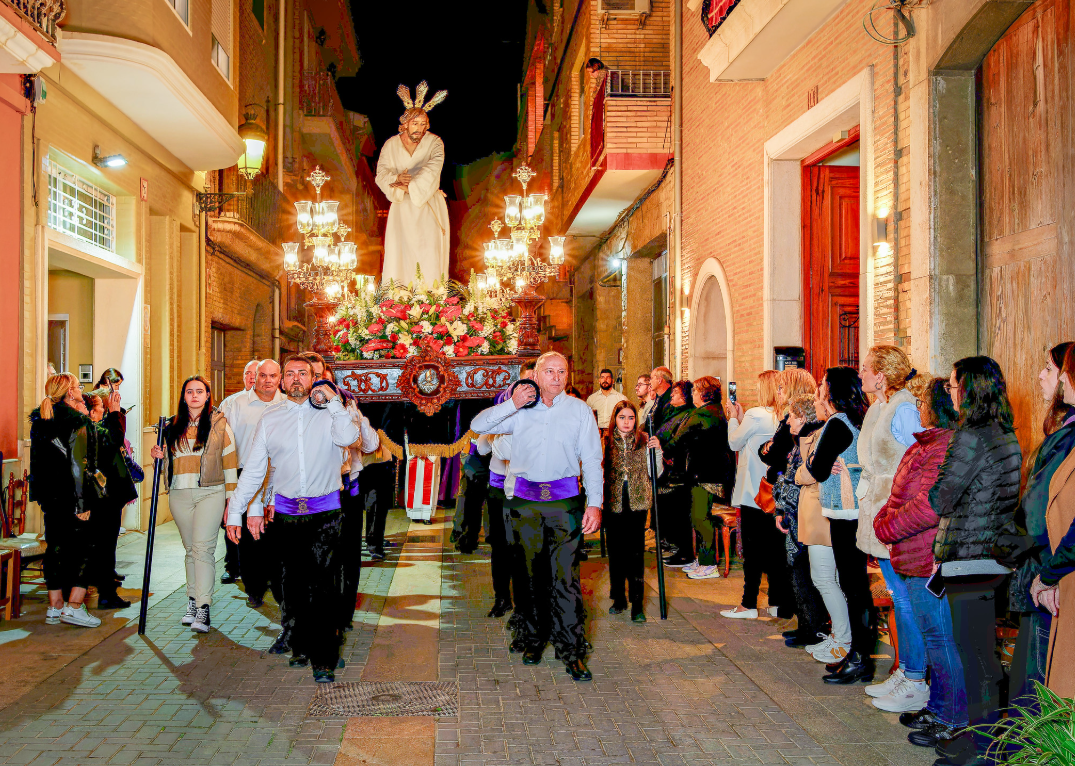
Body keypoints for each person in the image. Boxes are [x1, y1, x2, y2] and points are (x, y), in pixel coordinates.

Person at [226, 356, 362, 683]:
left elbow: (347, 438)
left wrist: (332, 401)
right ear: (284, 382)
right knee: (292, 585)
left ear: (315, 377)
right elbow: (256, 470)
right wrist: (236, 511)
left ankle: (324, 660)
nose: (297, 378)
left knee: (324, 587)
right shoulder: (271, 418)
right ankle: (300, 647)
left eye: (304, 373)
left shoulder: (333, 413)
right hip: (287, 516)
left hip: (325, 514)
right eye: (291, 374)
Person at [471, 351, 603, 682]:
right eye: (550, 371)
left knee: (566, 580)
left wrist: (595, 503)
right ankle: (531, 639)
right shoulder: (520, 409)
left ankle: (571, 650)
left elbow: (592, 458)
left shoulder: (579, 410)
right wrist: (512, 403)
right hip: (524, 505)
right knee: (527, 576)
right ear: (537, 375)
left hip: (564, 505)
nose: (557, 377)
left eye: (562, 372)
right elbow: (478, 426)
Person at [929, 356, 1021, 765]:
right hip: (992, 558)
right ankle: (979, 736)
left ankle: (982, 746)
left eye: (952, 385)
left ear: (968, 389)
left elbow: (941, 498)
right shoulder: (1006, 433)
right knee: (982, 654)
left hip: (968, 558)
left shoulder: (970, 437)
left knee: (977, 657)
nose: (949, 392)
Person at [874, 377, 966, 746]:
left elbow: (928, 505)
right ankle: (939, 706)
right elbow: (902, 491)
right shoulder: (929, 441)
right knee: (933, 637)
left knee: (941, 639)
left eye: (923, 399)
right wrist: (886, 517)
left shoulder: (944, 445)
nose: (918, 405)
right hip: (911, 549)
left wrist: (887, 526)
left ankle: (953, 715)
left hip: (925, 551)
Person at [1003, 342, 1075, 706]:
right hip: (1045, 562)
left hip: (1050, 563)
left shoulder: (1069, 435)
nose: (1042, 376)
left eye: (1049, 369)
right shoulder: (1065, 430)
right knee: (1032, 668)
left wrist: (1046, 571)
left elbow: (1039, 509)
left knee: (1039, 674)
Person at [856, 347, 929, 711]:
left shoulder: (903, 406)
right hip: (877, 503)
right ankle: (905, 670)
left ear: (882, 374)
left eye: (866, 368)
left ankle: (915, 675)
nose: (862, 373)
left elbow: (919, 457)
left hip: (897, 506)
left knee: (904, 595)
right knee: (898, 594)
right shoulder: (878, 406)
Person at [29, 373, 127, 628]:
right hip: (73, 496)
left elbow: (37, 464)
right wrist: (82, 505)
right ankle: (73, 606)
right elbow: (80, 463)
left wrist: (41, 496)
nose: (82, 391)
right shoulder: (76, 421)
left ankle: (54, 606)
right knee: (86, 550)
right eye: (78, 387)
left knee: (55, 550)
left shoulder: (41, 420)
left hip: (51, 498)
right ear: (70, 393)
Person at [150, 376, 238, 634]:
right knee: (190, 550)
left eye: (200, 391)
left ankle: (203, 607)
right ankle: (191, 601)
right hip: (179, 493)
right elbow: (169, 462)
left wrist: (231, 499)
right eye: (190, 391)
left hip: (210, 492)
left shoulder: (219, 424)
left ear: (208, 395)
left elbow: (230, 460)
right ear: (184, 396)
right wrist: (159, 455)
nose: (195, 396)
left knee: (203, 549)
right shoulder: (171, 426)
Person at [804, 367, 874, 684]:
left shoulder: (836, 423)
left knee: (853, 587)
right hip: (858, 509)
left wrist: (814, 459)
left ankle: (860, 657)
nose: (818, 389)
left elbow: (817, 470)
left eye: (822, 384)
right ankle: (857, 653)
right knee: (855, 586)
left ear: (832, 390)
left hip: (845, 513)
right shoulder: (859, 419)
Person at [722, 370, 788, 618]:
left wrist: (733, 418)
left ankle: (748, 604)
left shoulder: (756, 414)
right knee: (774, 551)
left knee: (752, 551)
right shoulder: (782, 417)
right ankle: (775, 602)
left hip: (753, 491)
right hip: (773, 492)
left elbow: (734, 443)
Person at [219, 360, 284, 609]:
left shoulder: (287, 404)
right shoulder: (235, 404)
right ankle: (254, 589)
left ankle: (276, 586)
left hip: (279, 477)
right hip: (245, 475)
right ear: (253, 377)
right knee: (249, 537)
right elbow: (223, 446)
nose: (267, 380)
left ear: (279, 378)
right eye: (262, 375)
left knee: (274, 537)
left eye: (273, 376)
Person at [376, 81, 450, 284]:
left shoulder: (435, 142)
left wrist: (410, 186)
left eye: (423, 124)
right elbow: (381, 172)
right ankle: (396, 302)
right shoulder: (391, 144)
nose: (419, 129)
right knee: (400, 253)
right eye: (414, 123)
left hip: (427, 204)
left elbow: (434, 167)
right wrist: (396, 180)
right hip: (401, 207)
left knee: (428, 251)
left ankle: (431, 303)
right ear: (405, 123)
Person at [660, 377, 733, 580]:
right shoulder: (715, 411)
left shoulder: (704, 413)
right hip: (708, 472)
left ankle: (709, 565)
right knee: (697, 516)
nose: (692, 395)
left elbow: (680, 437)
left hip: (706, 474)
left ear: (703, 394)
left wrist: (663, 448)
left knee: (701, 518)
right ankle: (702, 561)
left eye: (694, 392)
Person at [773, 394, 828, 647]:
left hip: (804, 516)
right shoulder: (799, 441)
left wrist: (784, 505)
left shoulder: (812, 440)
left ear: (804, 417)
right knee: (798, 574)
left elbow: (799, 477)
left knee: (805, 574)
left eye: (792, 417)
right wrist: (779, 509)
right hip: (793, 514)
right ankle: (805, 624)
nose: (788, 422)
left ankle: (813, 628)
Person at [603, 400, 661, 622]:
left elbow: (656, 471)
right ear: (614, 419)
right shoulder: (606, 441)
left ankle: (638, 604)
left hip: (637, 501)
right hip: (613, 501)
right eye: (622, 417)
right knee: (616, 551)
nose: (627, 422)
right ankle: (618, 598)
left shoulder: (644, 440)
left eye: (630, 418)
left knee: (635, 552)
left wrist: (657, 451)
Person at [82, 392, 137, 610]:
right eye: (101, 410)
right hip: (101, 496)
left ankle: (105, 590)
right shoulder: (90, 430)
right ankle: (105, 594)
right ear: (92, 412)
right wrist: (114, 415)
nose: (105, 413)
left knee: (106, 546)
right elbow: (112, 442)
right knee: (104, 547)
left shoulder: (94, 428)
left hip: (105, 495)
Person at [218, 359, 260, 584]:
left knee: (258, 520)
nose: (252, 377)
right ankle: (231, 566)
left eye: (257, 373)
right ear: (243, 377)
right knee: (233, 518)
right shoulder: (230, 403)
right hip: (237, 469)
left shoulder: (273, 402)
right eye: (248, 373)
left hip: (263, 472)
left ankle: (255, 566)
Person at [653, 380, 694, 566]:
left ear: (684, 396)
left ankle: (683, 552)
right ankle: (675, 545)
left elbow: (680, 441)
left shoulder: (688, 415)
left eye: (675, 393)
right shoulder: (673, 412)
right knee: (669, 512)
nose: (672, 396)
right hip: (668, 468)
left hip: (679, 471)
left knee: (679, 514)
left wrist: (664, 449)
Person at [586, 369, 628, 435]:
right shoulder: (591, 399)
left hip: (615, 433)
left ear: (613, 381)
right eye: (602, 377)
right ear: (599, 380)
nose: (605, 380)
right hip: (596, 433)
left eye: (608, 377)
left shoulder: (621, 398)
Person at [647, 367, 674, 432]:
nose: (650, 382)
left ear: (660, 380)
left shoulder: (671, 399)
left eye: (652, 378)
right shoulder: (658, 397)